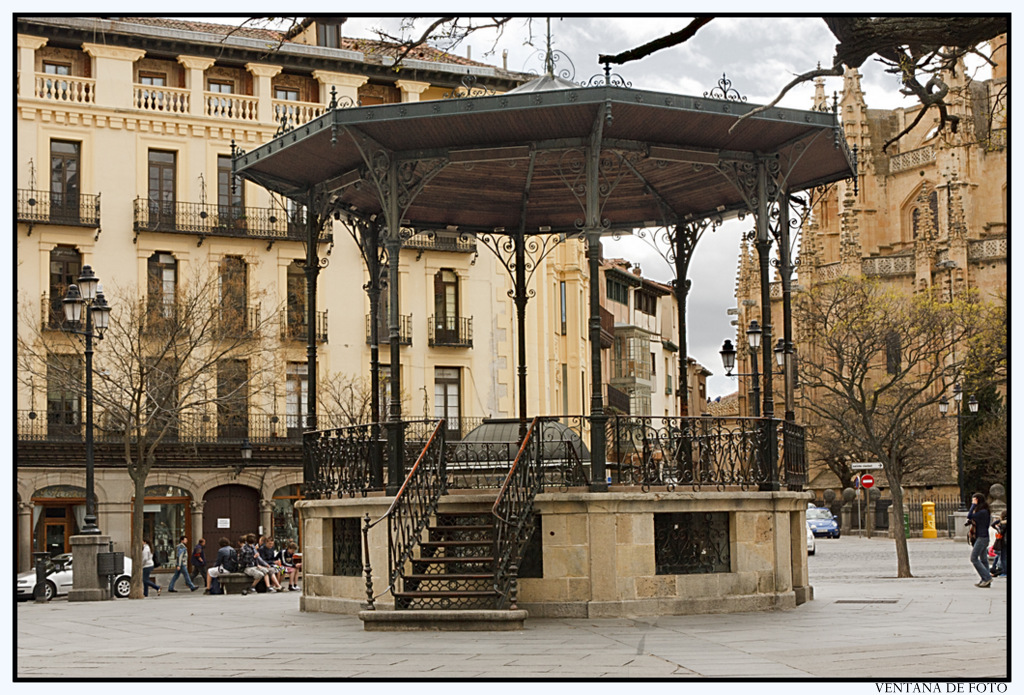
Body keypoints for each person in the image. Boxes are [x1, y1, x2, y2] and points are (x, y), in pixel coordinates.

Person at [967, 492, 993, 588]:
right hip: (982, 537)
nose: (972, 502)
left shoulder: (983, 512)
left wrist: (973, 505)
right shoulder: (984, 511)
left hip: (982, 537)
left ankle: (987, 577)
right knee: (983, 559)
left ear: (978, 500)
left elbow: (969, 515)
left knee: (973, 558)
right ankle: (985, 580)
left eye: (974, 500)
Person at [991, 511, 1008, 577]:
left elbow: (993, 524)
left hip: (1004, 542)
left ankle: (1004, 572)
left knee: (1003, 558)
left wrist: (998, 527)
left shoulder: (1003, 523)